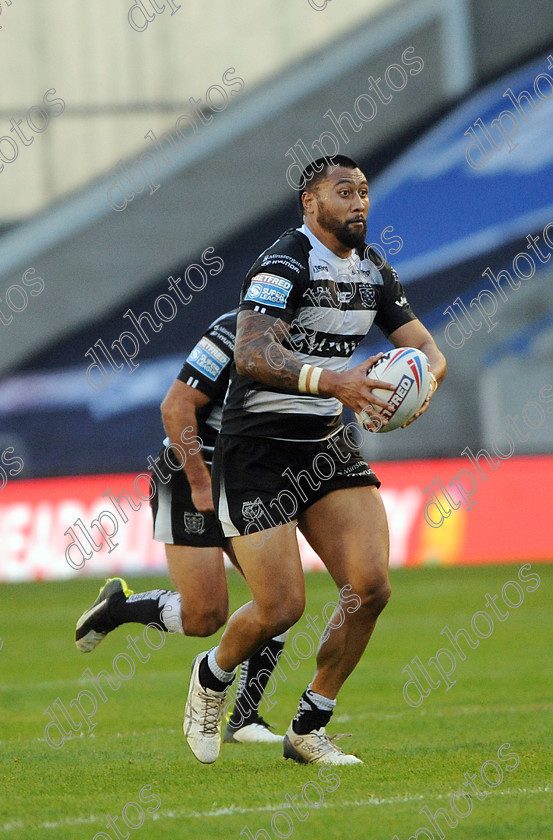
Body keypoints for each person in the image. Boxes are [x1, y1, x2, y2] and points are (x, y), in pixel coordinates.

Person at [183, 154, 447, 765]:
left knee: (371, 587)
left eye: (364, 192)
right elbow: (251, 355)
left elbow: (428, 350)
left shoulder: (375, 271)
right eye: (343, 192)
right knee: (282, 607)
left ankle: (308, 726)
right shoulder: (284, 261)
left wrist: (421, 387)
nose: (359, 202)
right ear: (310, 202)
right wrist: (337, 383)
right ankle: (212, 675)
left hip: (327, 448)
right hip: (259, 451)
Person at [75, 309, 285, 744]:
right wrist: (200, 483)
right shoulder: (232, 328)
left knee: (280, 601)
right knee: (205, 615)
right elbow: (175, 405)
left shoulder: (317, 336)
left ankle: (245, 717)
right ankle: (117, 607)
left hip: (249, 478)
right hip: (195, 475)